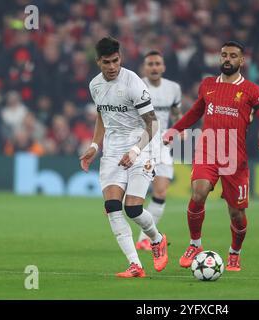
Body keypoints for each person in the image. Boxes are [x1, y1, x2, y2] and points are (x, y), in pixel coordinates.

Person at [163, 41, 259, 271]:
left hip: (236, 156)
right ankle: (195, 244)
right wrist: (175, 130)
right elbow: (196, 111)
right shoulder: (207, 85)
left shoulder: (252, 90)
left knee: (236, 213)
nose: (227, 59)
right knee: (199, 191)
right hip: (208, 149)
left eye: (233, 56)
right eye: (223, 54)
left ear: (241, 61)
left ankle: (235, 252)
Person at [79, 37, 168, 278]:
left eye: (115, 61)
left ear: (121, 58)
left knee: (133, 209)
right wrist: (94, 146)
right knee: (111, 206)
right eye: (106, 62)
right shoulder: (95, 85)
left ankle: (157, 239)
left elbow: (153, 123)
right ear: (98, 61)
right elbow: (102, 116)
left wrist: (136, 150)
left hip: (142, 145)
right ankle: (135, 265)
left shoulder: (134, 84)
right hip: (112, 150)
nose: (111, 66)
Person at [135, 50, 183, 251]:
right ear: (145, 68)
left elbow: (176, 114)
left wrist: (179, 129)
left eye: (157, 64)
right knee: (133, 197)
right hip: (140, 142)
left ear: (163, 67)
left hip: (162, 146)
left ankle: (144, 239)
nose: (154, 67)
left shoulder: (174, 88)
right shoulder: (137, 86)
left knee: (161, 192)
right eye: (150, 64)